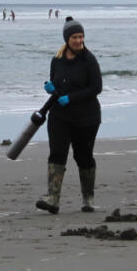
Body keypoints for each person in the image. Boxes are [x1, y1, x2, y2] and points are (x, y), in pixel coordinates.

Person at [36, 17, 103, 214]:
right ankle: (53, 199)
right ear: (67, 38)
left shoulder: (89, 60)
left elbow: (96, 88)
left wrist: (71, 98)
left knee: (83, 156)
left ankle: (88, 199)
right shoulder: (56, 60)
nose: (79, 40)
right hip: (59, 115)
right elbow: (57, 86)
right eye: (75, 36)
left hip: (86, 117)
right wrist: (51, 89)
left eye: (81, 36)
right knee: (57, 153)